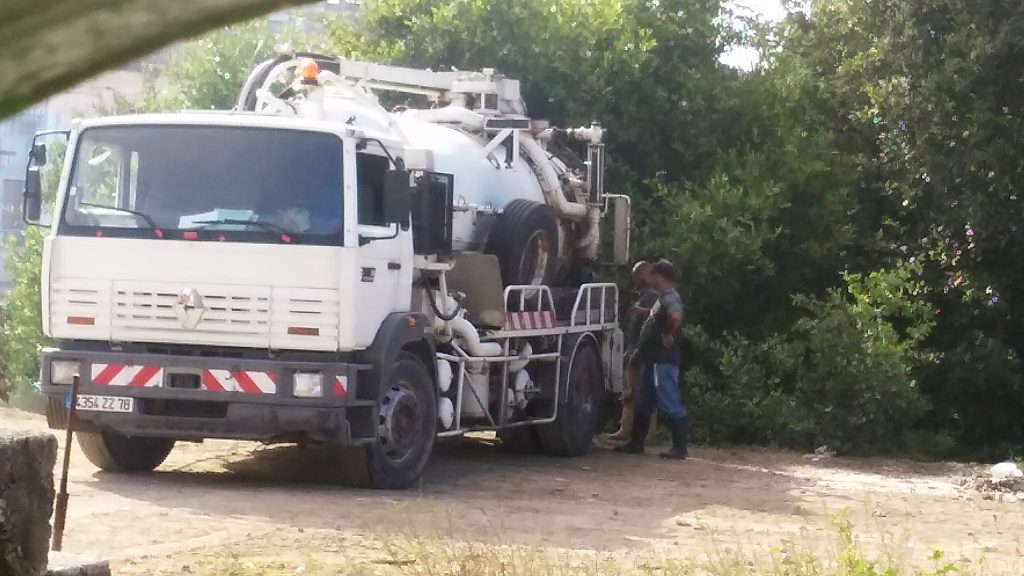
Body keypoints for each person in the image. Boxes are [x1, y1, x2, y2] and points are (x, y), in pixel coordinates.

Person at [614, 259, 688, 459]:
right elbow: (661, 316)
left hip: (662, 359)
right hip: (652, 359)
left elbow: (674, 316)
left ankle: (680, 447)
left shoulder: (670, 297)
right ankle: (636, 443)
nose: (652, 278)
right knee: (644, 401)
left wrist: (667, 334)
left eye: (654, 275)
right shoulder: (662, 298)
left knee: (668, 398)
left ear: (660, 277)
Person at [606, 261, 660, 442]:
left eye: (636, 275)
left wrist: (640, 311)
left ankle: (644, 432)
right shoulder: (643, 294)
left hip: (641, 350)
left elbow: (656, 318)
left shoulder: (652, 295)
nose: (634, 279)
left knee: (641, 391)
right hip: (634, 349)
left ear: (644, 274)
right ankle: (626, 428)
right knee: (630, 391)